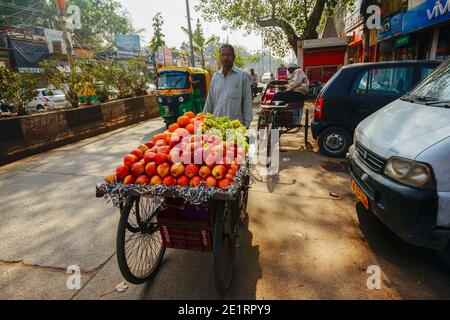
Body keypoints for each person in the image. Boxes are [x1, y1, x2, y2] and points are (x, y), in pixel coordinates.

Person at [203, 44, 253, 129]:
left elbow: (247, 101)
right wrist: (204, 120)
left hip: (235, 127)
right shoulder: (215, 77)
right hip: (216, 127)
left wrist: (246, 125)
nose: (225, 57)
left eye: (228, 55)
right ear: (220, 57)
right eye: (223, 55)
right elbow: (209, 102)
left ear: (234, 57)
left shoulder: (243, 76)